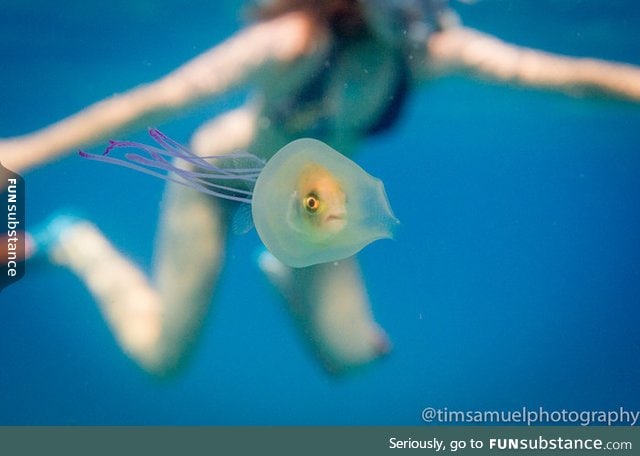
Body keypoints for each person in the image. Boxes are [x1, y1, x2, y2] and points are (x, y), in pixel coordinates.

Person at [1, 0, 639, 375]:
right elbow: (160, 98)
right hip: (213, 182)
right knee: (162, 359)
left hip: (309, 213)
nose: (414, 13)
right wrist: (24, 152)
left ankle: (285, 270)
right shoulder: (293, 39)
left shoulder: (435, 51)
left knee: (353, 359)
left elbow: (565, 76)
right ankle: (73, 243)